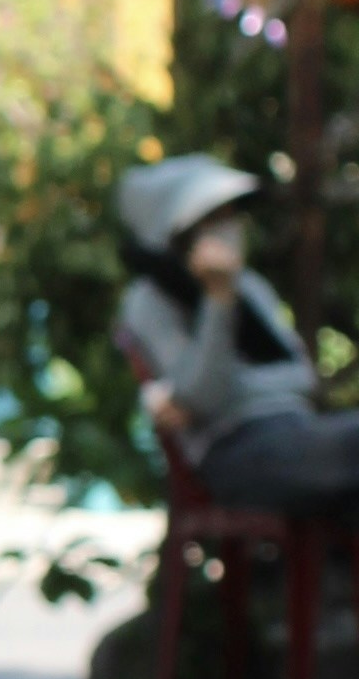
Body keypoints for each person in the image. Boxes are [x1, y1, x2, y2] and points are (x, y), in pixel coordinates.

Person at [116, 153, 359, 515]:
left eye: (230, 214)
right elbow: (208, 398)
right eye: (213, 217)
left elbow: (302, 377)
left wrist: (203, 396)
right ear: (178, 232)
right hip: (235, 452)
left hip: (299, 432)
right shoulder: (149, 301)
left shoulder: (252, 289)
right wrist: (218, 300)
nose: (228, 226)